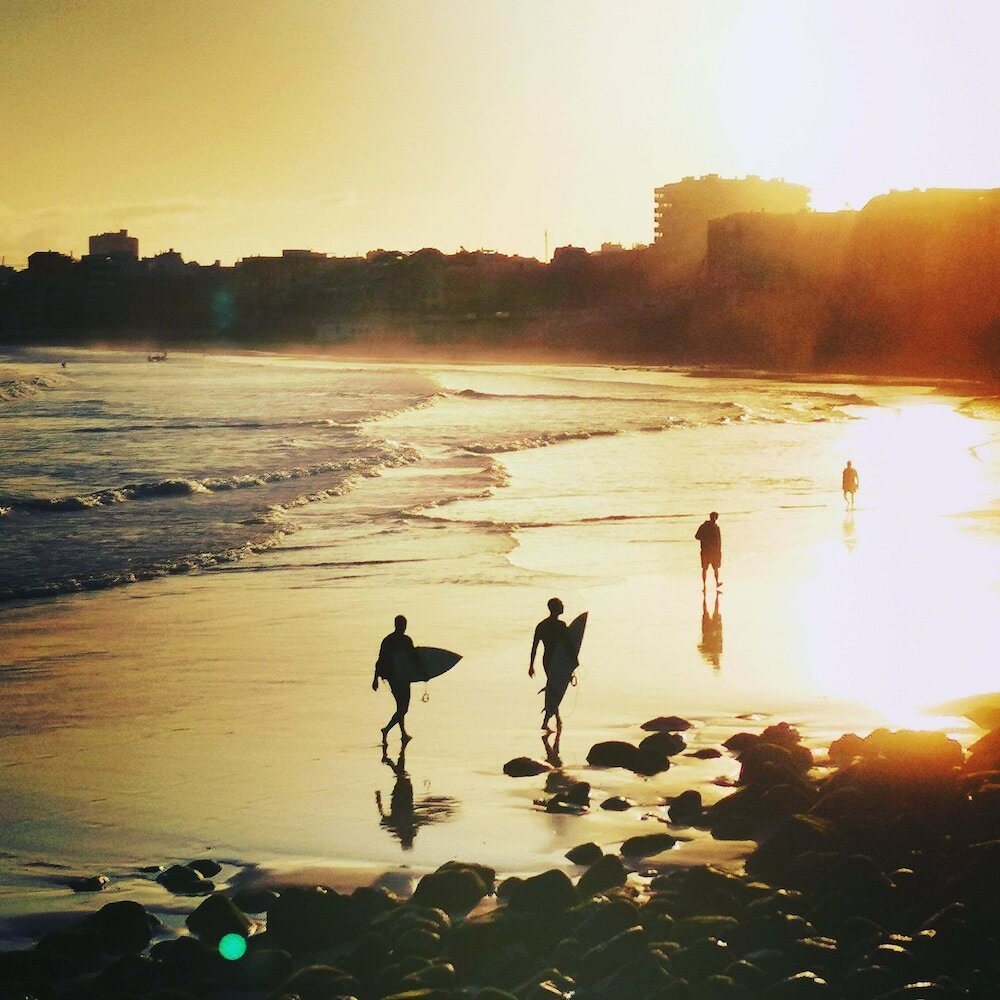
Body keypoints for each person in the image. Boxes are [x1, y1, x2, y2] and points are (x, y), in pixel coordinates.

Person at [372, 615, 425, 746]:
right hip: (402, 677)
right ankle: (386, 729)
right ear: (402, 626)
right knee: (403, 708)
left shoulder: (388, 640)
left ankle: (403, 734)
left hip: (393, 677)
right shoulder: (406, 640)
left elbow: (380, 660)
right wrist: (424, 673)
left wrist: (375, 678)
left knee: (400, 706)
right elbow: (414, 659)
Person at [529, 598, 577, 733]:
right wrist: (574, 661)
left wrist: (531, 665)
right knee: (556, 689)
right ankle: (547, 721)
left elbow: (534, 646)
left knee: (554, 688)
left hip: (547, 660)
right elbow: (569, 646)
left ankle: (555, 718)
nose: (563, 606)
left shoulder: (541, 625)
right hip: (559, 661)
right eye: (561, 605)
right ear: (556, 608)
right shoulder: (561, 625)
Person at [695, 511, 722, 591]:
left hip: (708, 551)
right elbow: (697, 536)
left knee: (708, 568)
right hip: (709, 551)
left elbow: (719, 542)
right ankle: (709, 584)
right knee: (711, 568)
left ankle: (709, 584)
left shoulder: (707, 527)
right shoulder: (714, 528)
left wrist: (719, 552)